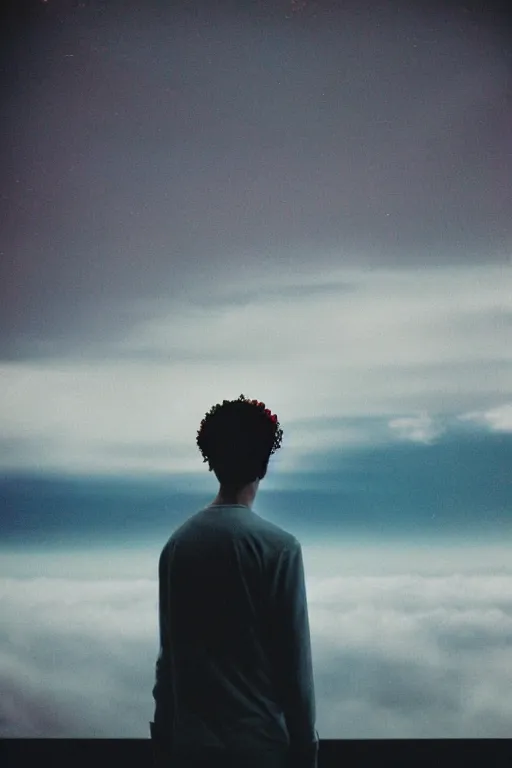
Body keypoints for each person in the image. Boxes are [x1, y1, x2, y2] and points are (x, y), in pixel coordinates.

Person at [150, 394, 319, 768]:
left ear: (212, 461)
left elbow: (169, 663)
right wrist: (306, 748)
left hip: (191, 752)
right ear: (263, 464)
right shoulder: (280, 549)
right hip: (261, 751)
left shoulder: (177, 546)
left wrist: (164, 740)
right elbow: (295, 668)